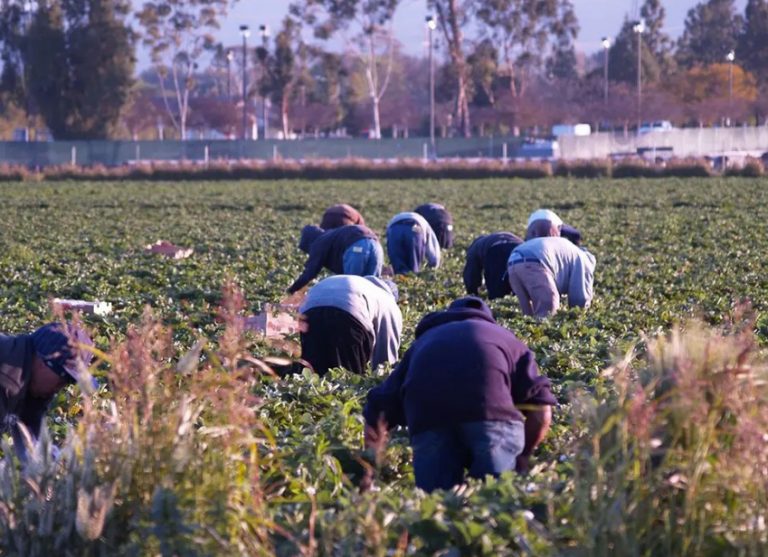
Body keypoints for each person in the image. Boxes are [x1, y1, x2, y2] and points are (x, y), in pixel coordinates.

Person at [363, 297, 556, 492]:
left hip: (429, 419)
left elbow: (378, 405)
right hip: (492, 418)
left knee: (438, 506)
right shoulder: (505, 339)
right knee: (495, 503)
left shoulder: (423, 343)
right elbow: (542, 409)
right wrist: (523, 455)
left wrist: (369, 470)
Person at [0, 322, 94, 460]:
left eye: (69, 382)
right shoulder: (6, 377)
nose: (60, 387)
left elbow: (29, 434)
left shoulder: (28, 379)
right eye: (63, 378)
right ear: (42, 361)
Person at [299, 275, 402, 376]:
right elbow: (386, 354)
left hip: (309, 310)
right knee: (347, 375)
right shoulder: (387, 301)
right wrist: (383, 379)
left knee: (315, 370)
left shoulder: (363, 285)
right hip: (348, 314)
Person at [508, 209, 596, 318]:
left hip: (513, 259)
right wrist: (578, 315)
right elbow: (580, 297)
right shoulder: (582, 259)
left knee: (528, 312)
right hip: (535, 260)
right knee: (548, 308)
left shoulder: (567, 249)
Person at [287, 224, 384, 294]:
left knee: (352, 288)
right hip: (376, 245)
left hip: (357, 246)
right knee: (372, 288)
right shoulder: (330, 236)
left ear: (308, 241)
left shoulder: (318, 242)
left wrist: (291, 290)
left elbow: (310, 272)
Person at [463, 232, 524, 300]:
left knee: (497, 291)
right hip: (520, 248)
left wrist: (472, 293)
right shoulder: (489, 240)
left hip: (496, 249)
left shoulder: (474, 248)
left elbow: (471, 274)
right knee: (519, 282)